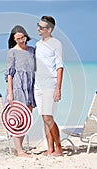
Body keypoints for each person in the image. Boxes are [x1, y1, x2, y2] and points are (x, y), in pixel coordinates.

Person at [4, 25, 36, 157]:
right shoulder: (12, 52)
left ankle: (19, 148)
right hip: (17, 87)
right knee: (17, 118)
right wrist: (10, 93)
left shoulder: (32, 50)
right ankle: (20, 150)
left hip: (30, 87)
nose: (21, 41)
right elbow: (10, 74)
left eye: (22, 37)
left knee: (26, 118)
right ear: (14, 39)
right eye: (18, 39)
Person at [34, 16, 64, 156]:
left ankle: (59, 148)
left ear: (49, 29)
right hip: (38, 86)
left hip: (50, 85)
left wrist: (58, 88)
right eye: (38, 25)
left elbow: (59, 67)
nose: (38, 28)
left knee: (48, 117)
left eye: (42, 27)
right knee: (44, 118)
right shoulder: (39, 44)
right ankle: (50, 148)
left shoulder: (56, 44)